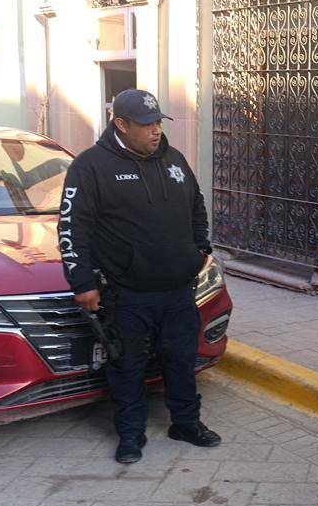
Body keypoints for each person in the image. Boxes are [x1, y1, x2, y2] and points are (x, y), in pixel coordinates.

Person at [60, 88, 221, 464]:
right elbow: (72, 228)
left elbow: (196, 206)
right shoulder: (90, 166)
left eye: (158, 123)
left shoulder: (175, 160)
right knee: (127, 365)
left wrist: (201, 248)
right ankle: (131, 434)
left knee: (181, 359)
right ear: (121, 124)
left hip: (179, 290)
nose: (156, 131)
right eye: (147, 124)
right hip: (127, 293)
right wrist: (81, 282)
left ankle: (186, 422)